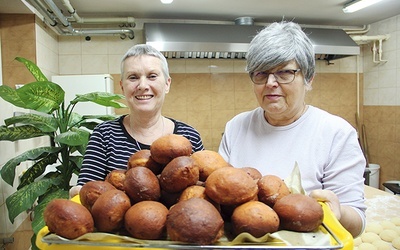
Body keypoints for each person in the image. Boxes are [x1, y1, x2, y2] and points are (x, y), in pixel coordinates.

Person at [218, 21, 366, 237]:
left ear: (308, 78)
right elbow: (221, 198)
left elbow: (358, 223)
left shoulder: (336, 133)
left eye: (284, 72)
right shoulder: (236, 127)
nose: (270, 83)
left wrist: (339, 212)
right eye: (260, 73)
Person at [70, 44, 204, 196]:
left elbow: (203, 190)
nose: (143, 86)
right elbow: (87, 193)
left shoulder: (188, 136)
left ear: (167, 84)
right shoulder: (104, 135)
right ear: (122, 87)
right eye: (133, 77)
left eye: (152, 76)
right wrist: (78, 193)